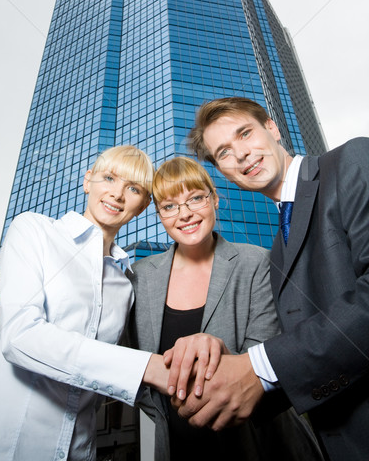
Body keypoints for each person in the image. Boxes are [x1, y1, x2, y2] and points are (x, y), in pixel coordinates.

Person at [173, 96, 369, 461]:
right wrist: (226, 376)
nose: (242, 155)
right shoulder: (277, 249)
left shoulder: (352, 161)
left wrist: (259, 367)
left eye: (245, 134)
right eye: (225, 153)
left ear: (272, 127)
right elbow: (307, 345)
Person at [0, 145, 171, 461]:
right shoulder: (34, 231)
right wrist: (146, 367)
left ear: (144, 205)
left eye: (133, 188)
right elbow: (19, 338)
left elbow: (110, 371)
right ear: (87, 180)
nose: (117, 194)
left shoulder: (125, 285)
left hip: (78, 450)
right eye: (108, 178)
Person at [127, 156, 322, 461]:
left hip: (264, 446)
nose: (185, 214)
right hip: (179, 449)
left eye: (196, 198)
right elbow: (135, 370)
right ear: (159, 214)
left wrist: (220, 350)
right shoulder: (138, 277)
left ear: (215, 199)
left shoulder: (258, 261)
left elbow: (269, 358)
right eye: (170, 206)